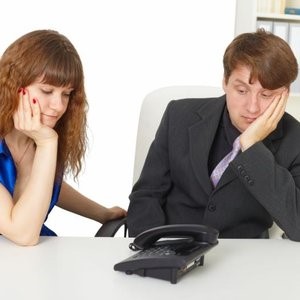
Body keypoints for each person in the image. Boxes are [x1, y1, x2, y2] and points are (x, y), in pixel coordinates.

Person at [127, 28, 300, 241]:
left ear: (285, 94)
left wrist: (252, 145)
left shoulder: (295, 139)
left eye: (266, 95)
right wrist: (154, 250)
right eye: (242, 91)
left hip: (243, 260)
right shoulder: (179, 116)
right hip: (170, 248)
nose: (252, 107)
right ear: (225, 82)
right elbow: (146, 196)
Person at [0, 30, 126, 246]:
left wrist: (102, 213)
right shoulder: (44, 139)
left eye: (66, 94)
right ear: (14, 86)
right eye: (47, 90)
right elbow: (22, 235)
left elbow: (47, 183)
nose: (58, 106)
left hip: (33, 262)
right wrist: (48, 143)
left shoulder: (34, 137)